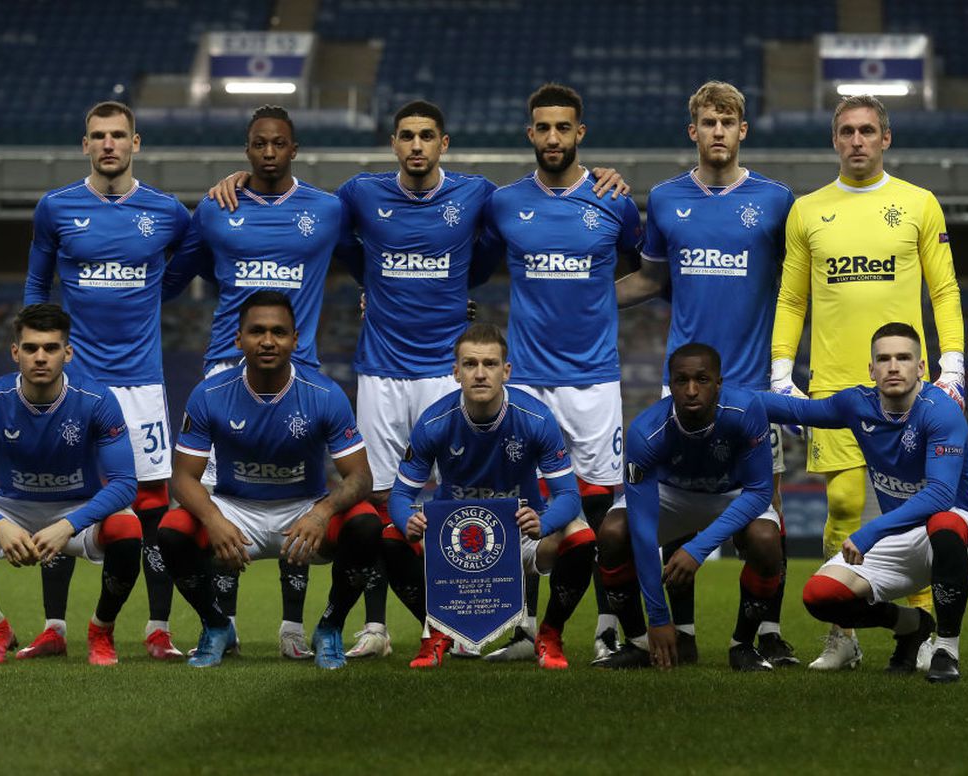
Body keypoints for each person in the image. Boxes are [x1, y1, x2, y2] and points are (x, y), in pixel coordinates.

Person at [206, 100, 627, 659]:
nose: (417, 145)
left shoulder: (479, 194)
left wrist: (603, 174)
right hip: (380, 371)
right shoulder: (359, 194)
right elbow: (334, 238)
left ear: (443, 143)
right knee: (382, 503)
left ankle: (511, 624)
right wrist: (245, 179)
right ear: (394, 143)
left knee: (480, 495)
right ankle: (378, 628)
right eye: (407, 136)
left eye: (427, 135)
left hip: (443, 373)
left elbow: (483, 260)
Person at [162, 105, 369, 662]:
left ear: (294, 148)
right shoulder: (216, 207)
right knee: (230, 495)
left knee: (297, 489)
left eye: (279, 143)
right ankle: (221, 622)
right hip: (225, 367)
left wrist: (385, 295)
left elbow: (367, 256)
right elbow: (186, 271)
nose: (270, 152)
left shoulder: (327, 208)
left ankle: (292, 628)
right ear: (247, 149)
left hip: (303, 367)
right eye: (259, 144)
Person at [770, 95, 966, 670]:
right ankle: (844, 633)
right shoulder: (807, 210)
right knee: (844, 499)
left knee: (921, 511)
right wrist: (783, 369)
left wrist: (952, 366)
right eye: (847, 131)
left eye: (868, 131)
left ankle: (930, 633)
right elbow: (792, 296)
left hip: (911, 390)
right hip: (836, 385)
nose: (857, 140)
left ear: (886, 139)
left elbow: (944, 291)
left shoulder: (918, 204)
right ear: (835, 140)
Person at [614, 81, 798, 666]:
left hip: (752, 390)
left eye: (728, 122)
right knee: (674, 505)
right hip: (683, 388)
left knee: (762, 515)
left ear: (743, 131)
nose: (718, 131)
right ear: (691, 131)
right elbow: (649, 280)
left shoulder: (776, 201)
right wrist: (576, 294)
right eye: (707, 122)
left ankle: (762, 636)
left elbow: (797, 287)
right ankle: (684, 634)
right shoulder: (666, 200)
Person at [23, 101, 191, 660]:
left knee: (150, 506)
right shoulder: (56, 207)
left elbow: (196, 258)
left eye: (119, 135)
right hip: (77, 386)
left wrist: (153, 294)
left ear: (136, 143)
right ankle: (54, 628)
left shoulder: (166, 211)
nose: (110, 144)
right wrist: (33, 355)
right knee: (66, 498)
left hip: (141, 386)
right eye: (99, 136)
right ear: (85, 143)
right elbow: (36, 284)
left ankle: (157, 630)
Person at [478, 83, 641, 662]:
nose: (553, 138)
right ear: (531, 134)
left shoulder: (614, 200)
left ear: (580, 133)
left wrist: (597, 298)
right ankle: (526, 629)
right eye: (542, 128)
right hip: (525, 383)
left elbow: (651, 273)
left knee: (599, 507)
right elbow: (464, 269)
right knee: (524, 504)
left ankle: (605, 627)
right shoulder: (503, 203)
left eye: (562, 128)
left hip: (594, 381)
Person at [760, 323, 968, 683]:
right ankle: (910, 625)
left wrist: (870, 532)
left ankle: (946, 650)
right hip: (904, 535)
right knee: (820, 596)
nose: (893, 366)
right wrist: (727, 399)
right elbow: (798, 412)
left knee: (943, 522)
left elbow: (940, 496)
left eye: (903, 358)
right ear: (872, 370)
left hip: (964, 533)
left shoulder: (941, 411)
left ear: (920, 367)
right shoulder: (857, 403)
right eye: (883, 359)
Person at [156, 291, 380, 669]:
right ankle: (215, 625)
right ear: (238, 339)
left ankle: (330, 627)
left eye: (279, 332)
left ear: (295, 339)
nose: (268, 341)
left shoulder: (324, 394)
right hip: (235, 512)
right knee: (172, 529)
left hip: (303, 511)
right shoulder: (209, 393)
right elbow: (182, 479)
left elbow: (361, 477)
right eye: (257, 331)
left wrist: (322, 513)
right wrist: (213, 519)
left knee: (367, 524)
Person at [0, 304, 142, 666]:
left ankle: (101, 631)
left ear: (68, 352)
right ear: (16, 352)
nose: (40, 357)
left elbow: (124, 484)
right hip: (13, 509)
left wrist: (68, 525)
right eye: (30, 348)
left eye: (51, 348)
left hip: (78, 510)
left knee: (127, 527)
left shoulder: (97, 401)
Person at [386, 323, 597, 669]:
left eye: (490, 364)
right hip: (454, 542)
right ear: (456, 372)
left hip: (520, 536)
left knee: (581, 536)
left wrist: (544, 523)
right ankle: (437, 633)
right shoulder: (433, 422)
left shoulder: (536, 419)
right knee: (391, 537)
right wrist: (406, 519)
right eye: (470, 364)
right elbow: (399, 495)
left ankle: (550, 635)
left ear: (506, 371)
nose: (480, 374)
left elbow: (569, 496)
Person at [594, 343, 785, 671]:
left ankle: (742, 644)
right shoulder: (645, 430)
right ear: (670, 385)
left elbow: (758, 492)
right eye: (681, 381)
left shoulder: (744, 409)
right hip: (670, 494)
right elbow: (641, 530)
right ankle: (639, 643)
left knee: (767, 540)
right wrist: (658, 617)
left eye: (702, 379)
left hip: (733, 494)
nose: (692, 390)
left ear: (719, 383)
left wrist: (697, 549)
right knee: (612, 533)